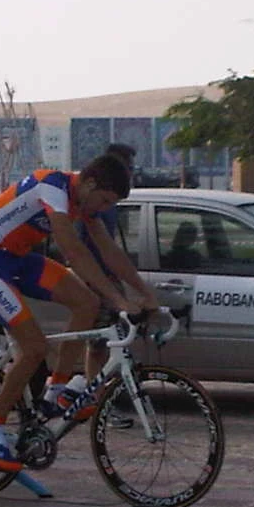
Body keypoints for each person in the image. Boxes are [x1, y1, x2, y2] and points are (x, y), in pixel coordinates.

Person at [0, 154, 140, 472]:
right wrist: (117, 299)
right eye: (104, 201)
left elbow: (110, 252)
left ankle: (57, 390)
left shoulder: (83, 201)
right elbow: (73, 251)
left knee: (88, 303)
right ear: (89, 184)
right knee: (35, 348)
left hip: (18, 258)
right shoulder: (53, 187)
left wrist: (145, 294)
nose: (103, 209)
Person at [76, 143, 158, 427]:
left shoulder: (108, 203)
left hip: (109, 276)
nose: (131, 174)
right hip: (94, 277)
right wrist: (110, 291)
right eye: (128, 169)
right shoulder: (92, 201)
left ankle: (97, 394)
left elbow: (111, 248)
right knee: (99, 343)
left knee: (115, 339)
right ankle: (94, 399)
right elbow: (82, 247)